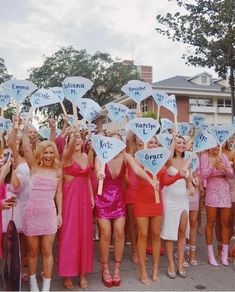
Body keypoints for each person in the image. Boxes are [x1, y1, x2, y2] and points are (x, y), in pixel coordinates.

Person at [95, 133, 157, 288]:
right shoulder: (101, 156)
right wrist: (99, 174)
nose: (116, 143)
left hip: (118, 200)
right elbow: (97, 170)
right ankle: (105, 269)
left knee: (120, 232)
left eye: (118, 140)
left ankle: (116, 268)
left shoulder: (126, 156)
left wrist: (150, 180)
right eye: (113, 141)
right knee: (106, 233)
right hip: (103, 200)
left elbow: (137, 169)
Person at [134, 136, 186, 285]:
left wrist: (178, 175)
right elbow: (135, 171)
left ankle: (155, 269)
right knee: (143, 235)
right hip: (141, 201)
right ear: (144, 143)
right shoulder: (139, 159)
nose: (153, 144)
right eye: (150, 142)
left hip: (157, 202)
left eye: (156, 142)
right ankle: (142, 270)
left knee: (156, 235)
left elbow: (165, 181)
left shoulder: (161, 162)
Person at [22, 125, 62, 291]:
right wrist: (22, 128)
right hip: (32, 213)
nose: (48, 155)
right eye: (45, 152)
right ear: (40, 153)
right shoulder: (33, 166)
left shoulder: (58, 170)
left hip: (49, 214)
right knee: (32, 252)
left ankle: (45, 288)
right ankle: (33, 285)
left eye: (51, 152)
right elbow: (25, 146)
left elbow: (59, 193)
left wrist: (60, 214)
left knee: (47, 251)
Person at [58, 128, 94, 289]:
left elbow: (86, 178)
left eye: (79, 138)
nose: (77, 140)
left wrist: (92, 196)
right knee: (70, 234)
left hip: (85, 197)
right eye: (73, 138)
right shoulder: (66, 156)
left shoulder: (86, 156)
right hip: (70, 198)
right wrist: (74, 136)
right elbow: (71, 147)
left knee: (85, 234)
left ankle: (83, 273)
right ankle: (67, 273)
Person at [161, 135, 190, 278]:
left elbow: (188, 180)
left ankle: (180, 262)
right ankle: (171, 263)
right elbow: (167, 155)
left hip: (183, 197)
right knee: (169, 232)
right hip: (170, 198)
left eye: (183, 143)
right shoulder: (169, 160)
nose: (181, 144)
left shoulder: (186, 161)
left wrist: (191, 186)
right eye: (179, 142)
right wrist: (173, 139)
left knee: (182, 231)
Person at [200, 146, 233, 266]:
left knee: (225, 221)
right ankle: (210, 254)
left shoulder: (223, 156)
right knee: (211, 221)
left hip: (224, 190)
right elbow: (204, 175)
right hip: (212, 190)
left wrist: (225, 170)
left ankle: (224, 254)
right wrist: (213, 165)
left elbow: (231, 175)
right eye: (213, 145)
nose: (215, 147)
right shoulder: (204, 157)